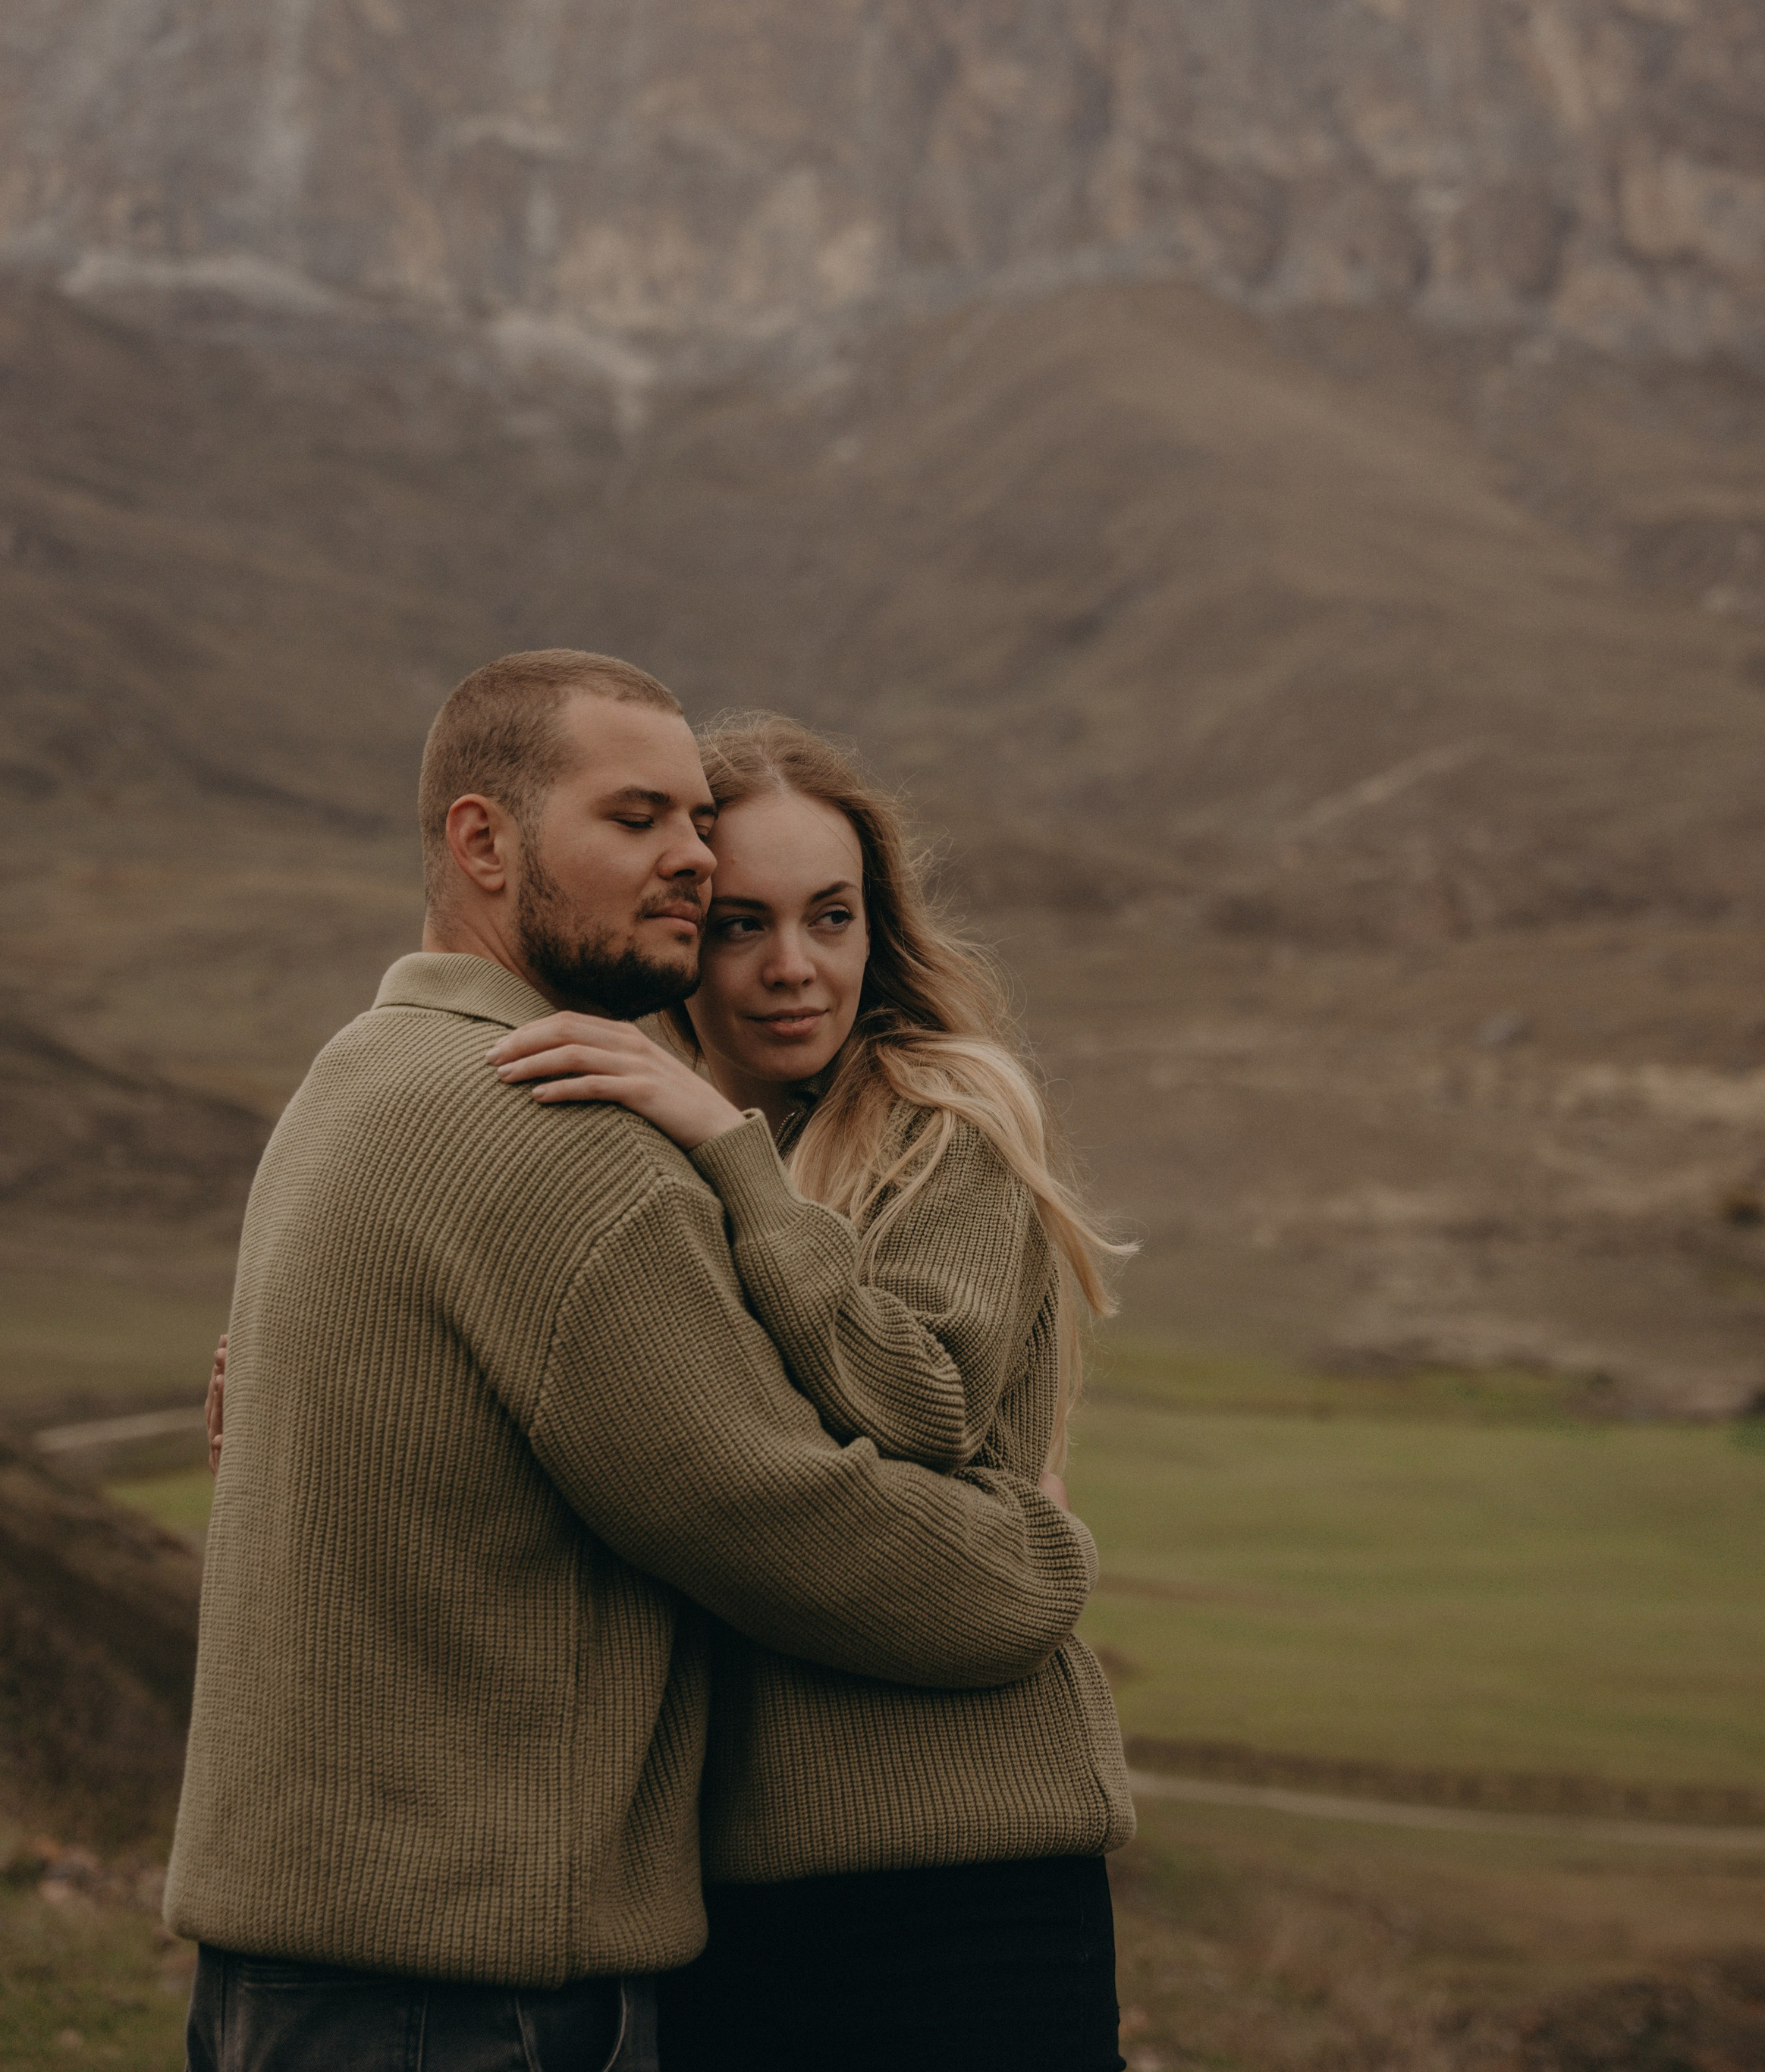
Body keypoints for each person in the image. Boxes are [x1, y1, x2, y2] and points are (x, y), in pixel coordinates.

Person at [171, 651, 1100, 2071]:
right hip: (458, 1982)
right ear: (482, 840)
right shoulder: (561, 1143)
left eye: (829, 914)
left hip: (373, 1961)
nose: (683, 862)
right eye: (640, 824)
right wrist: (1030, 1561)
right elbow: (776, 1513)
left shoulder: (359, 1075)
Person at [487, 711, 1133, 2072]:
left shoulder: (943, 1121)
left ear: (876, 928)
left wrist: (730, 1152)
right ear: (678, 934)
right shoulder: (643, 1150)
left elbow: (918, 1401)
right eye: (739, 925)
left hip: (971, 1877)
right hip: (720, 1896)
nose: (794, 968)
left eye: (831, 918)